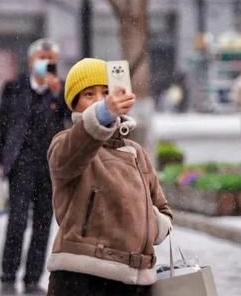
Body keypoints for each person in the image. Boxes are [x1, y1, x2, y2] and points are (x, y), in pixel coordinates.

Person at [46, 58, 173, 296]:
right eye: (89, 95)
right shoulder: (66, 142)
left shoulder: (137, 152)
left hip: (136, 280)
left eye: (106, 92)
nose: (99, 100)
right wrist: (102, 114)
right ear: (75, 104)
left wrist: (145, 221)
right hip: (83, 277)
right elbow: (69, 156)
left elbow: (163, 210)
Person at [0, 39, 70, 295]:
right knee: (17, 220)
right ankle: (7, 274)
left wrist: (59, 93)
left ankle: (32, 279)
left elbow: (70, 119)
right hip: (21, 163)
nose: (46, 62)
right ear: (31, 59)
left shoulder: (61, 90)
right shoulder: (14, 87)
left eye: (51, 58)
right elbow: (2, 124)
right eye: (42, 56)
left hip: (49, 165)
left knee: (43, 223)